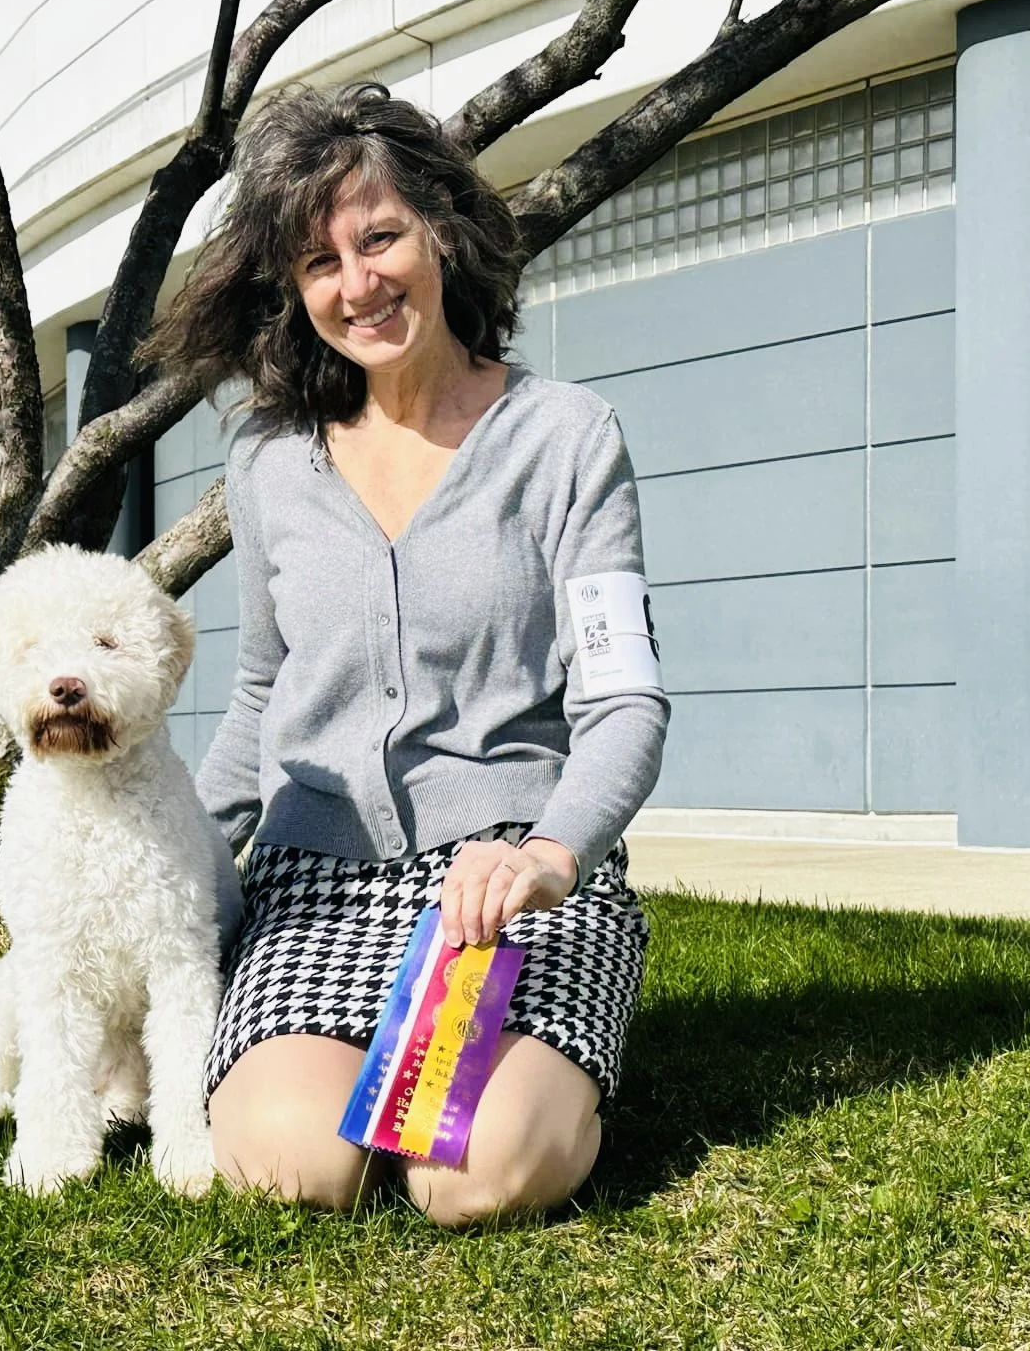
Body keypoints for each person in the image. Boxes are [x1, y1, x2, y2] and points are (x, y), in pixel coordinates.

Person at [143, 82, 669, 1226]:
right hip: (315, 883)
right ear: (292, 290)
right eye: (320, 261)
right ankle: (354, 1062)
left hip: (502, 883)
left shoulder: (564, 437)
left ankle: (552, 1059)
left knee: (468, 1176)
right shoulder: (270, 460)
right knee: (297, 1166)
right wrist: (171, 847)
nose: (358, 281)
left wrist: (549, 853)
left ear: (439, 230)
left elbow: (623, 698)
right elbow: (260, 693)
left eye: (378, 237)